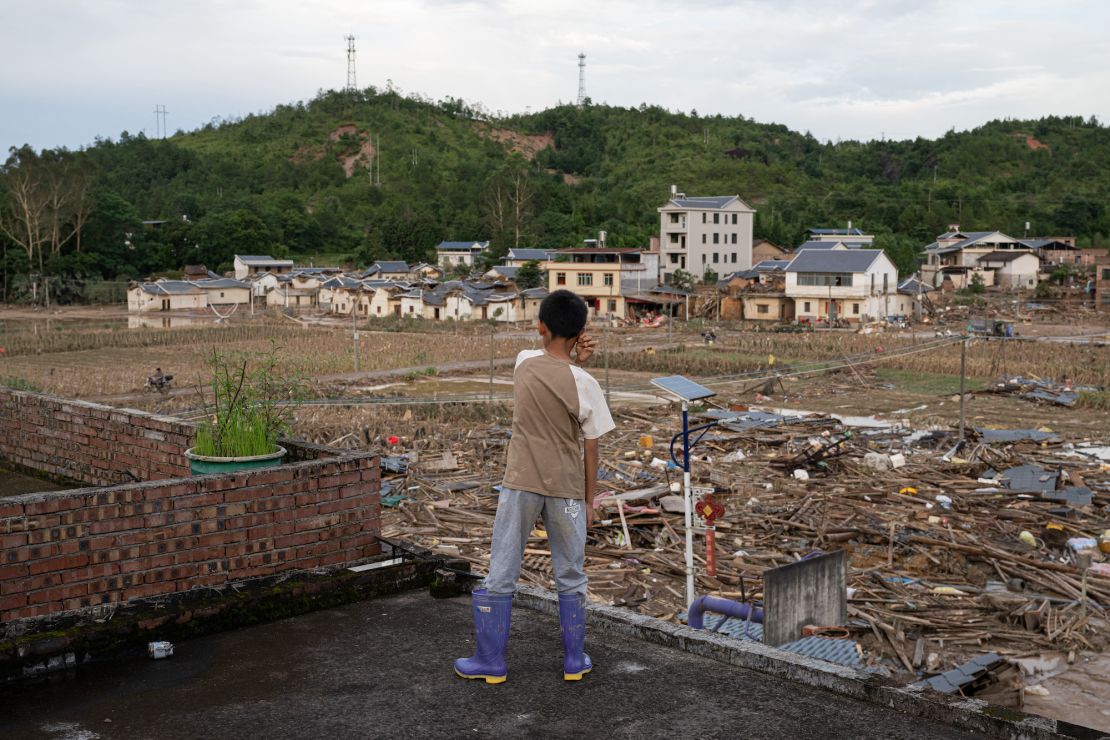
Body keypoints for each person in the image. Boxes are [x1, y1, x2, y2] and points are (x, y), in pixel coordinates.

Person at [454, 289, 615, 685]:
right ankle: (574, 660)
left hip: (520, 483)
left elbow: (547, 360)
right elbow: (591, 447)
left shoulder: (523, 362)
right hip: (566, 491)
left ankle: (491, 662)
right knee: (571, 573)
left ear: (540, 326)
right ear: (582, 331)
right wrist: (589, 500)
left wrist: (572, 354)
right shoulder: (586, 382)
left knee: (503, 568)